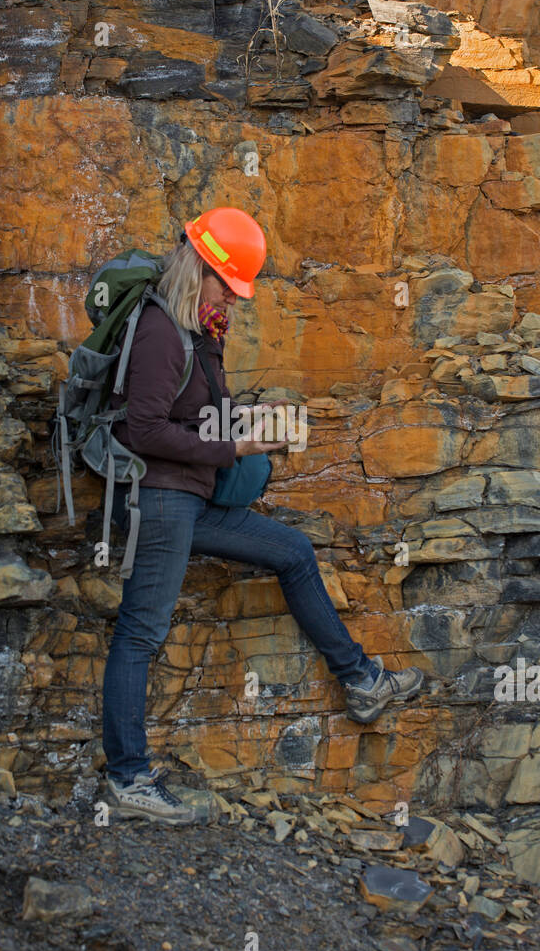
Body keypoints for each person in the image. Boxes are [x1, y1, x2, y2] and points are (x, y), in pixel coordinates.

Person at [101, 207, 425, 824]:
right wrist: (234, 447)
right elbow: (143, 429)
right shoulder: (159, 332)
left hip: (192, 497)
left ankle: (360, 680)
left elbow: (192, 417)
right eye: (227, 283)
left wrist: (249, 421)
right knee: (140, 633)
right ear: (201, 266)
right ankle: (128, 779)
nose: (232, 296)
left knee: (294, 553)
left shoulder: (197, 331)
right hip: (160, 499)